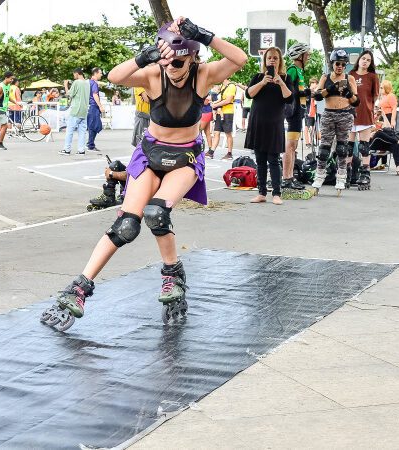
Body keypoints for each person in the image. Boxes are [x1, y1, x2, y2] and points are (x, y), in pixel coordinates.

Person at [40, 17, 246, 331]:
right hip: (149, 153)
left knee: (157, 213)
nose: (173, 66)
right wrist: (144, 56)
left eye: (180, 59)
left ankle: (172, 275)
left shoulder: (204, 76)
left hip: (185, 157)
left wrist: (206, 35)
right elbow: (115, 76)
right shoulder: (153, 75)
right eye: (168, 58)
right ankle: (79, 288)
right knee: (125, 225)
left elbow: (240, 59)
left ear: (192, 56)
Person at [244, 47, 293, 205]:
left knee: (273, 159)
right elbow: (249, 94)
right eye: (269, 58)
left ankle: (276, 193)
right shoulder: (258, 77)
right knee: (260, 159)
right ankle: (262, 192)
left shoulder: (285, 78)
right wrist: (263, 82)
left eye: (275, 58)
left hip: (274, 124)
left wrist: (280, 82)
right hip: (258, 122)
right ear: (265, 60)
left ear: (280, 61)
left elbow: (289, 98)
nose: (272, 60)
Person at [310, 49, 359, 196]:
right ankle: (319, 175)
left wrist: (349, 94)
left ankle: (341, 176)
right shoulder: (325, 77)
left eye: (343, 64)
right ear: (332, 64)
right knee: (324, 147)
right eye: (337, 63)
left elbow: (357, 102)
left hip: (345, 113)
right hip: (329, 113)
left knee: (342, 148)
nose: (340, 67)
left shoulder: (349, 79)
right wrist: (329, 89)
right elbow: (317, 96)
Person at [348, 50, 380, 190]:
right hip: (350, 114)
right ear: (359, 60)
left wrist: (369, 107)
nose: (365, 61)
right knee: (347, 147)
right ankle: (346, 173)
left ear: (370, 63)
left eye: (368, 60)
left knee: (364, 146)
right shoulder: (350, 75)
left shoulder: (373, 77)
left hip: (365, 114)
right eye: (363, 58)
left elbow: (375, 96)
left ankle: (365, 174)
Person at [282, 43, 310, 190]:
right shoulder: (293, 69)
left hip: (300, 111)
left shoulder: (299, 71)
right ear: (300, 56)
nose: (309, 56)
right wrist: (304, 93)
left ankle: (290, 176)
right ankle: (286, 178)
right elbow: (288, 90)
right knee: (290, 146)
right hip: (293, 112)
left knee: (293, 146)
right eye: (307, 54)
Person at [59, 68, 90, 155]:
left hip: (76, 109)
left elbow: (69, 94)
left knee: (70, 130)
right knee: (82, 131)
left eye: (74, 74)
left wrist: (65, 85)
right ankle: (81, 150)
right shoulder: (87, 83)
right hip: (84, 110)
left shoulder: (77, 82)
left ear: (77, 74)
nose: (74, 76)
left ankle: (67, 149)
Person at [210, 78, 236, 159]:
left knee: (228, 133)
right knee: (216, 132)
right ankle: (211, 152)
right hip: (220, 112)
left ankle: (229, 153)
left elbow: (228, 100)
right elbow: (221, 98)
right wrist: (215, 102)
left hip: (228, 112)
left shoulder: (231, 86)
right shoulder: (223, 86)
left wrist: (216, 105)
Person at [87, 67, 105, 151]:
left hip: (90, 106)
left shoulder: (88, 82)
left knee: (93, 125)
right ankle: (90, 144)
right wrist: (100, 106)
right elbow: (95, 95)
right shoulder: (94, 83)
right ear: (95, 73)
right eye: (100, 73)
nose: (101, 74)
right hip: (93, 106)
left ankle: (90, 143)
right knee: (95, 125)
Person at [304, 77, 319, 147]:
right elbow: (306, 101)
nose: (316, 85)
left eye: (316, 83)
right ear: (312, 84)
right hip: (308, 111)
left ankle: (312, 141)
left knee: (313, 127)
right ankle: (307, 142)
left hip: (314, 111)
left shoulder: (315, 91)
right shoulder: (308, 91)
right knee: (307, 127)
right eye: (315, 83)